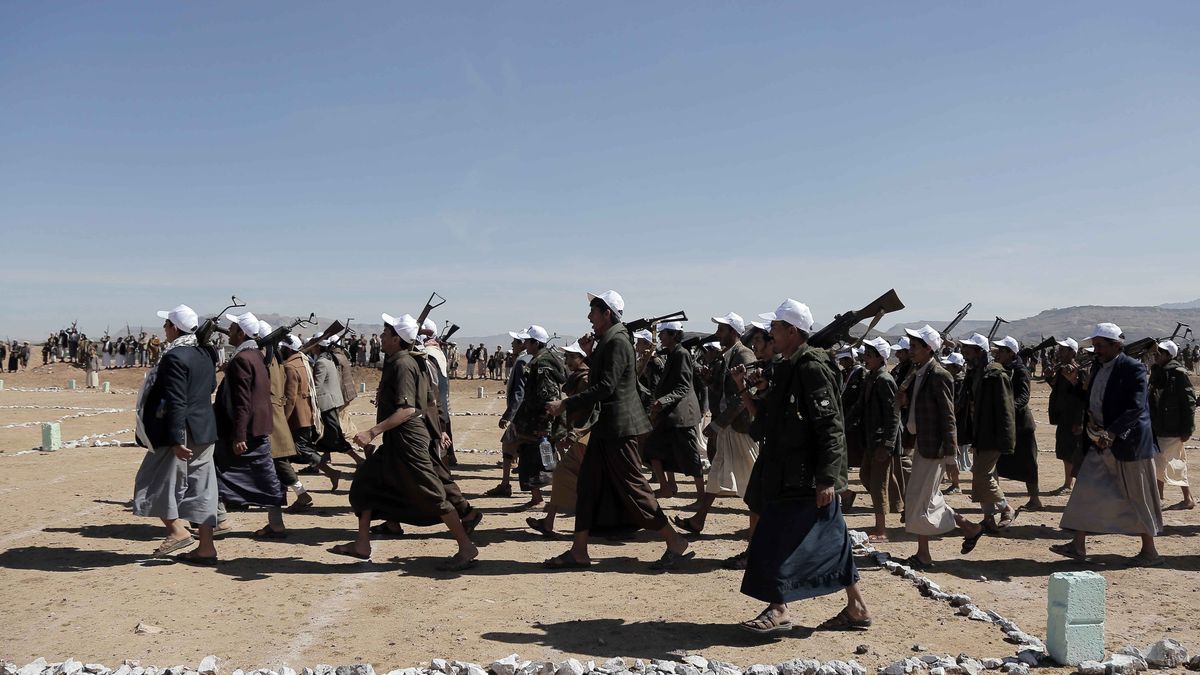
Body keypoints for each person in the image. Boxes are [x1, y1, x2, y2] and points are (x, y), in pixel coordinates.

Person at [733, 298, 869, 635]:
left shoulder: (810, 368)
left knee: (776, 541)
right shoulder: (787, 367)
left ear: (792, 331)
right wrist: (749, 396)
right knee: (833, 542)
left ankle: (778, 608)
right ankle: (857, 607)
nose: (770, 334)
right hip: (787, 472)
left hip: (806, 478)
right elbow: (771, 421)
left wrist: (827, 479)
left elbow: (830, 426)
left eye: (775, 328)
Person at [544, 290, 691, 570]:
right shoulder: (611, 340)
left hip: (619, 428)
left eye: (593, 311)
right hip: (607, 427)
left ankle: (675, 542)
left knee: (634, 488)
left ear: (606, 313)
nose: (589, 317)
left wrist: (565, 403)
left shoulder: (617, 341)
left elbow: (606, 387)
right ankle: (579, 550)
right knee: (587, 485)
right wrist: (591, 352)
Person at [330, 312, 481, 569]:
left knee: (433, 494)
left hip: (408, 441)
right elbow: (428, 400)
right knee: (365, 483)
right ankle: (362, 544)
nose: (381, 337)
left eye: (386, 334)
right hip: (397, 441)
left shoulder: (402, 364)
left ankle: (466, 548)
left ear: (397, 339)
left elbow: (408, 409)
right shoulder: (409, 359)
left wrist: (372, 432)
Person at [1055, 323, 1162, 566]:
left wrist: (1113, 432)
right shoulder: (1098, 367)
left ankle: (1150, 551)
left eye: (1100, 346)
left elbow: (1135, 408)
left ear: (1117, 345)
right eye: (1094, 346)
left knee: (1138, 496)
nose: (1096, 350)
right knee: (1085, 489)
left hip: (1129, 443)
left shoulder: (1133, 368)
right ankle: (1078, 544)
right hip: (1099, 440)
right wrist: (1074, 384)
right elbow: (1095, 401)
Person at [131, 304, 220, 563]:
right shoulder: (206, 353)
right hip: (204, 429)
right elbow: (210, 386)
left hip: (181, 434)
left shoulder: (174, 356)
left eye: (167, 324)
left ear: (175, 327)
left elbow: (176, 401)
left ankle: (177, 530)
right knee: (203, 488)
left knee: (151, 481)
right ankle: (206, 547)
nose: (164, 329)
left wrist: (175, 439)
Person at [898, 326, 983, 569]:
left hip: (933, 449)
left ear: (928, 348)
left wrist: (951, 456)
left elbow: (948, 418)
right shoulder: (917, 373)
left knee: (919, 500)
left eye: (914, 347)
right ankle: (970, 527)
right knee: (928, 499)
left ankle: (924, 554)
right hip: (921, 445)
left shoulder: (939, 375)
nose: (910, 351)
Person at [674, 312, 759, 539]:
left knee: (755, 480)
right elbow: (720, 388)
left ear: (732, 331)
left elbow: (744, 395)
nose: (717, 334)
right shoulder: (726, 356)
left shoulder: (744, 355)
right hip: (728, 427)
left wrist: (718, 424)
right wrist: (706, 377)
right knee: (716, 472)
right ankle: (698, 520)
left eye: (721, 330)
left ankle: (763, 527)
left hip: (740, 427)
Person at [213, 312, 285, 544]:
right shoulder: (255, 355)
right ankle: (276, 523)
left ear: (241, 332)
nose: (229, 331)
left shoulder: (243, 359)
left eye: (232, 328)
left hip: (245, 430)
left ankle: (220, 519)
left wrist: (239, 434)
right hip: (258, 427)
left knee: (214, 470)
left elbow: (243, 401)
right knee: (266, 475)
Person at [527, 340, 596, 538]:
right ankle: (549, 522)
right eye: (566, 356)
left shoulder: (585, 381)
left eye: (570, 356)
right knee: (565, 476)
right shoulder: (577, 379)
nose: (566, 360)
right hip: (577, 435)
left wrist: (575, 433)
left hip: (586, 437)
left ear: (581, 358)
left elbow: (592, 412)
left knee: (581, 480)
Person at [960, 333, 1018, 534]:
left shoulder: (996, 375)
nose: (964, 352)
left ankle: (1006, 508)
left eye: (968, 349)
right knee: (982, 478)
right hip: (979, 432)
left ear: (979, 352)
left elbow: (1005, 410)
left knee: (981, 474)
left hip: (992, 434)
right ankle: (988, 519)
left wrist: (1006, 439)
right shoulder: (974, 373)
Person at [641, 321, 706, 502]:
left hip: (682, 416)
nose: (660, 337)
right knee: (654, 450)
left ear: (672, 335)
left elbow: (683, 386)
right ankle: (666, 487)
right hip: (671, 415)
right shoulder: (673, 354)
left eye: (663, 334)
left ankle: (701, 496)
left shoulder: (681, 354)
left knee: (691, 457)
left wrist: (662, 401)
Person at [511, 325, 567, 511]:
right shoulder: (538, 361)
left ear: (536, 343)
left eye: (528, 341)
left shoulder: (542, 365)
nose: (525, 344)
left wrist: (545, 423)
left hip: (538, 423)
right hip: (532, 421)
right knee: (529, 459)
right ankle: (537, 498)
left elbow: (549, 397)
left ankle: (546, 500)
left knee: (539, 462)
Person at [853, 337, 900, 542]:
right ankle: (894, 504)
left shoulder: (884, 380)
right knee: (866, 476)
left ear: (881, 358)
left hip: (881, 441)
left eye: (870, 355)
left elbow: (893, 414)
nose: (866, 358)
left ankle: (881, 530)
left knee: (878, 483)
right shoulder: (871, 377)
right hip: (870, 440)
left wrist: (888, 444)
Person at [993, 336, 1043, 511]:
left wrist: (1008, 408)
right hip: (1007, 424)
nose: (997, 353)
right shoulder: (1001, 370)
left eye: (1001, 350)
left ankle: (1035, 499)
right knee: (997, 461)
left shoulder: (1020, 371)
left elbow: (1023, 396)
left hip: (1022, 425)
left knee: (1029, 462)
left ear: (1010, 353)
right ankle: (996, 501)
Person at [1149, 339, 1195, 511]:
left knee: (1161, 461)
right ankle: (1185, 498)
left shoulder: (1178, 374)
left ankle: (1159, 498)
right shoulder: (1158, 372)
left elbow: (1188, 402)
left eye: (1159, 353)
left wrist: (1188, 428)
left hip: (1173, 427)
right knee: (1172, 462)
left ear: (1169, 355)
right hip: (1160, 425)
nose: (1155, 356)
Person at [487, 334, 530, 498]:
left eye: (515, 341)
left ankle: (506, 484)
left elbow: (519, 392)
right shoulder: (530, 359)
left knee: (508, 444)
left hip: (521, 415)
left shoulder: (522, 362)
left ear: (523, 344)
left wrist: (508, 415)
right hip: (531, 414)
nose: (512, 343)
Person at [1048, 338, 1086, 495]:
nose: (1060, 352)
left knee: (1074, 452)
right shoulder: (1061, 369)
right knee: (1065, 451)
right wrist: (1049, 378)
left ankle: (1075, 485)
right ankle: (1067, 484)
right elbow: (1060, 391)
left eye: (1063, 349)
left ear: (1072, 352)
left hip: (1074, 418)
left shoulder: (1078, 371)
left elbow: (1081, 397)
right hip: (1064, 416)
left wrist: (1079, 421)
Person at [939, 352, 966, 494]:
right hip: (951, 422)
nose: (947, 368)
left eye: (949, 366)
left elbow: (956, 405)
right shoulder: (952, 381)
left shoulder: (959, 382)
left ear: (956, 367)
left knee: (952, 455)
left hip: (955, 424)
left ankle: (956, 484)